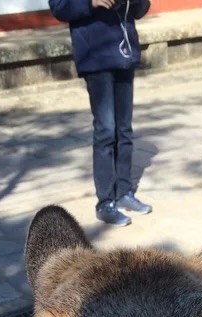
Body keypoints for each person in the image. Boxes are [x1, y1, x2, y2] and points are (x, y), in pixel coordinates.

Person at [49, 0, 152, 227]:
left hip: (124, 51)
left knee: (124, 129)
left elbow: (141, 9)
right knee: (106, 129)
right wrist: (90, 2)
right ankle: (105, 202)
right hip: (94, 55)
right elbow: (58, 7)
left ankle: (124, 192)